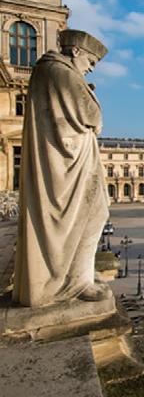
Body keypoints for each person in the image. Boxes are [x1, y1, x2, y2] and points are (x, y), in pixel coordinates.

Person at [12, 30, 111, 307]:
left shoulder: (50, 71)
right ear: (76, 51)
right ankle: (74, 281)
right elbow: (93, 116)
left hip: (68, 160)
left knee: (93, 214)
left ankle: (77, 276)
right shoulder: (60, 72)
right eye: (91, 61)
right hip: (66, 165)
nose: (91, 67)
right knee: (93, 214)